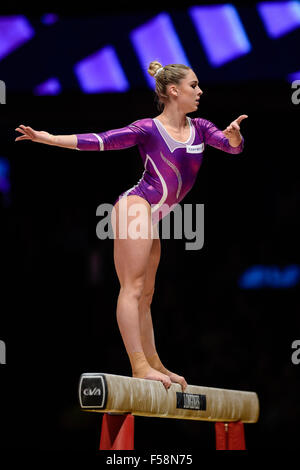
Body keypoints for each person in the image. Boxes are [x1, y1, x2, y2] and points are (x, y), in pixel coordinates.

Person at [15, 61, 247, 391]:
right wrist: (49, 139)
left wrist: (235, 139)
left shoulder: (202, 127)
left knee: (147, 295)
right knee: (134, 287)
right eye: (193, 85)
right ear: (173, 91)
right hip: (136, 206)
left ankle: (154, 363)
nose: (200, 91)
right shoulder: (148, 129)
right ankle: (139, 366)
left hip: (153, 214)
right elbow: (101, 140)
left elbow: (230, 147)